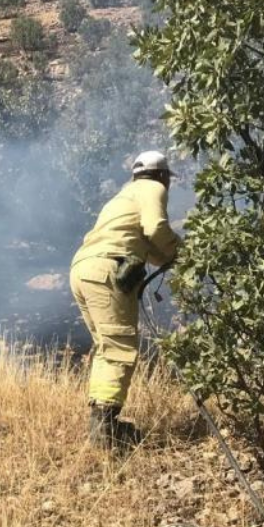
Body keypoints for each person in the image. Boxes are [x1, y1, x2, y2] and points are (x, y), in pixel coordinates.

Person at [69, 150, 182, 451]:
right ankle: (105, 429)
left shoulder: (122, 198)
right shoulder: (153, 188)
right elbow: (157, 229)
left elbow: (151, 248)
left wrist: (170, 256)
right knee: (119, 349)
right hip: (107, 269)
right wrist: (183, 250)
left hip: (83, 269)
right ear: (161, 176)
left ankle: (104, 423)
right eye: (167, 179)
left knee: (107, 348)